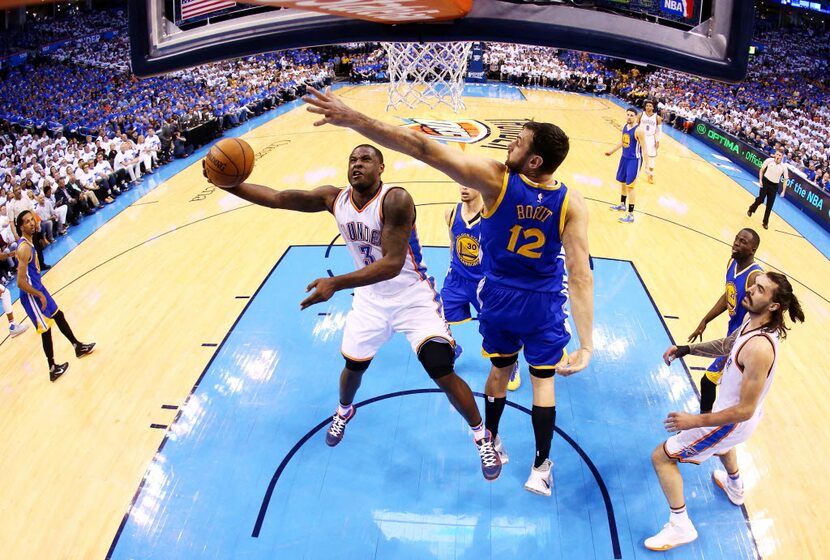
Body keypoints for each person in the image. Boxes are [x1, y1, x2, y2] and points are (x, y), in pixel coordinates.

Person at [303, 86, 594, 496]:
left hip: (498, 294)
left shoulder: (497, 180)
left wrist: (355, 118)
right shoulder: (572, 201)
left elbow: (424, 148)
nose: (508, 143)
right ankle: (541, 467)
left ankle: (491, 439)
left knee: (497, 372)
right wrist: (587, 344)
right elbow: (580, 276)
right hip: (543, 300)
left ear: (533, 160)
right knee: (542, 384)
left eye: (518, 141)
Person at [204, 144, 503, 481]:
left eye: (365, 160)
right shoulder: (334, 199)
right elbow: (276, 198)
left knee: (439, 367)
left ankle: (482, 436)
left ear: (381, 168)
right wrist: (229, 184)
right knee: (353, 368)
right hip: (370, 300)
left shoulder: (396, 200)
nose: (357, 164)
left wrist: (337, 283)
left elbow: (391, 264)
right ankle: (344, 410)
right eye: (353, 160)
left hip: (411, 297)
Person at [646, 271, 804, 551]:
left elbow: (743, 410)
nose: (751, 289)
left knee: (661, 457)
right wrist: (687, 349)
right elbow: (727, 346)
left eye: (761, 289)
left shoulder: (760, 348)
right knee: (722, 446)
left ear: (774, 306)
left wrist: (694, 420)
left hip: (733, 420)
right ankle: (736, 487)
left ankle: (680, 526)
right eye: (754, 285)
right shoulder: (751, 322)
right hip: (733, 418)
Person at [441, 186, 521, 390]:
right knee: (437, 318)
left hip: (483, 283)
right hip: (457, 279)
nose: (463, 188)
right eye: (460, 183)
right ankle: (451, 349)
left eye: (469, 183)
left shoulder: (491, 217)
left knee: (496, 327)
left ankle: (511, 364)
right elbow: (452, 243)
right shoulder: (450, 213)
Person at [688, 229, 763, 413]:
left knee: (709, 380)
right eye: (737, 239)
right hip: (731, 335)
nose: (736, 243)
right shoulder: (732, 263)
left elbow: (761, 314)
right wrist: (706, 319)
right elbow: (728, 295)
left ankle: (704, 424)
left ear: (753, 249)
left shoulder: (755, 276)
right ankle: (709, 424)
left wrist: (746, 340)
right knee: (721, 385)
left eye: (743, 242)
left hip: (741, 340)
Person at [14, 210, 95, 381]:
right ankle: (52, 368)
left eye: (32, 220)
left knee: (59, 315)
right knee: (46, 329)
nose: (32, 223)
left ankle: (77, 346)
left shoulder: (26, 243)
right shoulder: (24, 248)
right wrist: (39, 295)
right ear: (21, 227)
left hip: (39, 288)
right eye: (27, 222)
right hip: (31, 295)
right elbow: (20, 283)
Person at [605, 107, 646, 224]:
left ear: (636, 117)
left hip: (635, 160)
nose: (629, 117)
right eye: (627, 114)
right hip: (624, 158)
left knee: (630, 186)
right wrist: (612, 151)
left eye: (631, 115)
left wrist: (647, 166)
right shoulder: (625, 127)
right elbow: (623, 141)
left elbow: (645, 149)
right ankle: (622, 205)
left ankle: (631, 215)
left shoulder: (639, 131)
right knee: (622, 182)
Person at [748, 149, 788, 230]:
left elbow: (785, 180)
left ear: (782, 157)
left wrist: (783, 191)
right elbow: (762, 170)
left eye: (780, 155)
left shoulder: (784, 167)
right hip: (765, 182)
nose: (778, 156)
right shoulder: (769, 161)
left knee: (770, 205)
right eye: (777, 154)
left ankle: (765, 222)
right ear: (775, 154)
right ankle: (751, 209)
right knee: (761, 199)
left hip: (774, 186)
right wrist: (760, 179)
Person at [639, 100, 662, 184]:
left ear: (653, 107)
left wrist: (658, 140)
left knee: (651, 158)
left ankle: (650, 175)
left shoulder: (657, 118)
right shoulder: (641, 115)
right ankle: (635, 173)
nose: (648, 107)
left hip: (651, 138)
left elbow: (659, 131)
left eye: (650, 106)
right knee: (637, 156)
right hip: (641, 137)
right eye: (647, 105)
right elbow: (636, 126)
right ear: (645, 107)